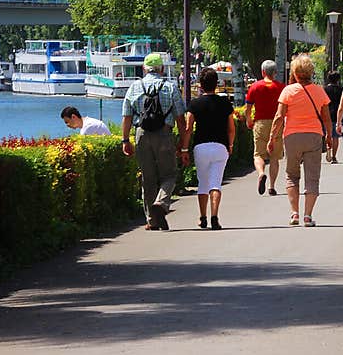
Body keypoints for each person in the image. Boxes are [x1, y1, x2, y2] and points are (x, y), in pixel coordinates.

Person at [121, 52, 188, 231]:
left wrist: (125, 140)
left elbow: (127, 116)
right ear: (162, 69)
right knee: (169, 174)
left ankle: (152, 219)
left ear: (144, 68)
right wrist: (183, 142)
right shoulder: (170, 87)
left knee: (148, 178)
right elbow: (181, 118)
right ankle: (161, 203)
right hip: (164, 134)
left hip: (141, 134)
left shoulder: (135, 87)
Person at [267, 54, 333, 227]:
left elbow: (279, 116)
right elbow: (326, 118)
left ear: (295, 72)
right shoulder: (319, 91)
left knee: (291, 175)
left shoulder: (288, 91)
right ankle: (308, 216)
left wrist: (272, 137)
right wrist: (329, 136)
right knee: (312, 177)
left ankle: (294, 213)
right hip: (313, 136)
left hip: (292, 137)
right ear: (311, 72)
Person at [180, 67, 234, 230]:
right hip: (220, 146)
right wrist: (230, 145)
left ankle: (202, 217)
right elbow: (231, 128)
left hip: (201, 147)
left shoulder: (195, 104)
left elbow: (189, 128)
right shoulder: (225, 103)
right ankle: (215, 216)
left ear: (200, 85)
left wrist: (184, 149)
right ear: (216, 83)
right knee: (215, 183)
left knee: (203, 182)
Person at [245, 59, 285, 196]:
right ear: (275, 72)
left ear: (263, 72)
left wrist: (249, 120)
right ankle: (272, 187)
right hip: (277, 124)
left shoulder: (255, 87)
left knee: (258, 154)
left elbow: (248, 107)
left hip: (260, 123)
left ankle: (261, 173)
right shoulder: (281, 87)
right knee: (274, 157)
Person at [323, 71, 343, 164]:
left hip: (326, 115)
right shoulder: (341, 89)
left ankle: (328, 150)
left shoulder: (325, 89)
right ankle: (334, 156)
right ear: (338, 79)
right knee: (335, 137)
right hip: (337, 115)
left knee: (328, 135)